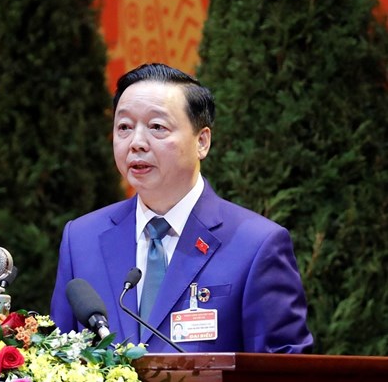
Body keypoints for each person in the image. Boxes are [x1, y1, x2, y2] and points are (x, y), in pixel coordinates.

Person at [50, 63, 313, 353]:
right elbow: (59, 356)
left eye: (157, 127)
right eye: (124, 127)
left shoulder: (257, 244)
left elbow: (284, 367)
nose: (136, 142)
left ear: (202, 142)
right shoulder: (82, 238)